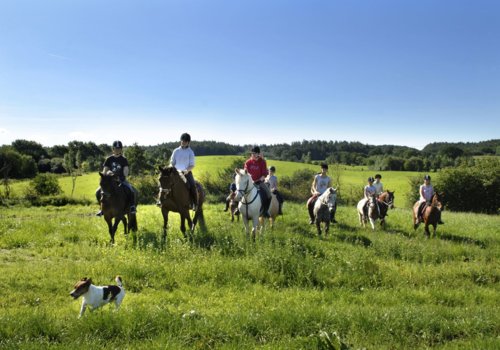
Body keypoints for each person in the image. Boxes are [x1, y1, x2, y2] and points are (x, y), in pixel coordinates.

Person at [95, 140, 137, 216]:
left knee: (131, 190)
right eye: (116, 148)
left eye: (119, 148)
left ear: (121, 149)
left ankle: (132, 207)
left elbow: (126, 171)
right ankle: (101, 209)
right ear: (113, 149)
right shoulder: (109, 159)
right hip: (110, 181)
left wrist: (124, 173)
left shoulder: (124, 159)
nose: (117, 150)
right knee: (98, 191)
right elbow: (105, 170)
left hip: (121, 180)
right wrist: (107, 174)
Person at [169, 132, 198, 210]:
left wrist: (186, 170)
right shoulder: (176, 151)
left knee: (192, 185)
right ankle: (161, 200)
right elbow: (172, 162)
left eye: (185, 141)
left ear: (188, 142)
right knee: (164, 182)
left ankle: (195, 203)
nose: (183, 142)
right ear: (180, 141)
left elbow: (192, 165)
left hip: (186, 173)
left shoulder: (190, 152)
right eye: (182, 141)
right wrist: (171, 167)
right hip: (175, 172)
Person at [244, 146, 272, 217]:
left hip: (259, 182)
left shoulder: (262, 162)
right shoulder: (248, 162)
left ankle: (265, 211)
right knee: (239, 192)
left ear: (258, 154)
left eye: (254, 153)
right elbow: (245, 173)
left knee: (269, 195)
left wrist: (260, 179)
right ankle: (238, 209)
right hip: (249, 183)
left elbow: (264, 174)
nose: (253, 155)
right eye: (252, 153)